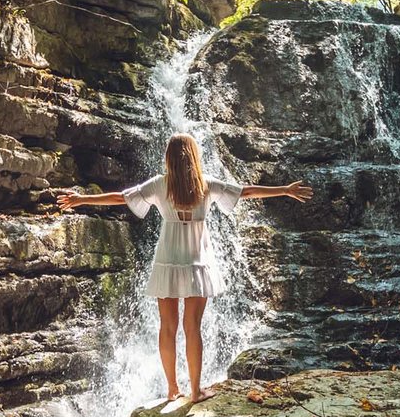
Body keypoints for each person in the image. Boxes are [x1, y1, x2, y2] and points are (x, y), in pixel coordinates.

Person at [56, 134, 312, 403]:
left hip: (168, 259)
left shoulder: (160, 185)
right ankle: (195, 390)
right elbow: (246, 191)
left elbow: (122, 198)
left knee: (167, 327)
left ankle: (171, 389)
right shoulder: (206, 185)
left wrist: (81, 199)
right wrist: (284, 189)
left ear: (168, 158)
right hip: (197, 262)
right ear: (194, 157)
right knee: (193, 328)